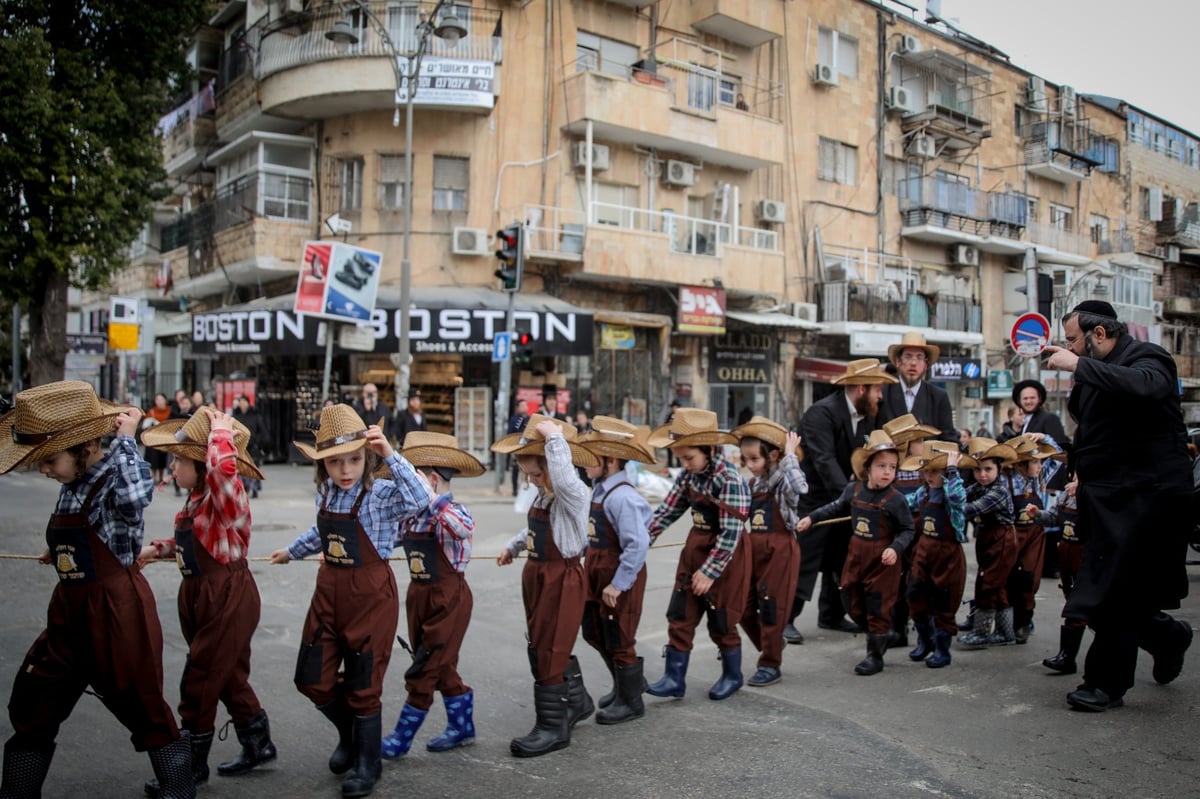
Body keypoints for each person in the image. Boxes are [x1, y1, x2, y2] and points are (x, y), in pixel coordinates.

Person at [0, 381, 193, 799]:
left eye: (49, 459)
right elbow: (86, 533)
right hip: (69, 614)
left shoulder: (113, 477)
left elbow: (137, 495)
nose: (43, 470)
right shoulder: (73, 484)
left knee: (142, 704)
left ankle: (179, 788)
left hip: (116, 613)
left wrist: (127, 441)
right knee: (36, 701)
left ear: (85, 446)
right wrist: (60, 551)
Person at [269, 404, 431, 796]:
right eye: (336, 462)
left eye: (355, 460)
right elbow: (319, 534)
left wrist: (391, 454)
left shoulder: (382, 493)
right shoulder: (326, 492)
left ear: (367, 458)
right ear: (322, 464)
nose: (345, 470)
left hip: (370, 598)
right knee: (312, 677)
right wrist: (292, 550)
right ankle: (350, 732)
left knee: (363, 683)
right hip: (328, 595)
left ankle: (366, 760)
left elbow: (422, 500)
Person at [1043, 300, 1193, 712]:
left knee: (1117, 593)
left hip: (1150, 500)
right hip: (1108, 499)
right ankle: (1169, 637)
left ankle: (1105, 684)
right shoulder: (1095, 370)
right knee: (1112, 592)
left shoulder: (1149, 357)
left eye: (1073, 340)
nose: (1069, 348)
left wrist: (1077, 366)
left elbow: (1144, 386)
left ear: (1100, 334)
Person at [139, 407, 276, 795]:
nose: (172, 468)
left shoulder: (225, 499)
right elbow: (193, 545)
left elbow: (225, 477)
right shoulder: (196, 500)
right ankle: (259, 744)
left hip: (227, 598)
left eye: (180, 460)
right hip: (203, 598)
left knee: (200, 680)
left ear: (203, 464)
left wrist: (219, 434)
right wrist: (157, 549)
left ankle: (189, 770)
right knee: (227, 675)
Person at [492, 416, 598, 757]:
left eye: (537, 474)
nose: (533, 481)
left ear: (555, 465)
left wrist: (554, 438)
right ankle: (577, 701)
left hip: (561, 578)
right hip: (538, 574)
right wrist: (514, 545)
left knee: (550, 648)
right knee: (542, 643)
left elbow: (565, 481)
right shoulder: (544, 497)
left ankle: (553, 728)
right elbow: (533, 530)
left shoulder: (574, 494)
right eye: (528, 475)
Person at [382, 432, 485, 758]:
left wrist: (429, 498)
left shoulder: (451, 510)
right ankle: (462, 727)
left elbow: (464, 527)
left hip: (448, 598)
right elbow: (389, 538)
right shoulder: (413, 516)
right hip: (420, 596)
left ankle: (401, 738)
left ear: (432, 479)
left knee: (425, 668)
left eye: (413, 479)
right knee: (437, 663)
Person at [643, 408, 751, 701]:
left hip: (726, 557)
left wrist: (710, 571)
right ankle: (674, 678)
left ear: (709, 449)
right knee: (681, 613)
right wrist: (641, 541)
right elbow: (666, 512)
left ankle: (732, 675)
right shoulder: (688, 478)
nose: (685, 464)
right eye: (680, 458)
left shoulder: (729, 479)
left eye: (689, 457)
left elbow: (731, 533)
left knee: (722, 618)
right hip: (694, 549)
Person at [788, 359, 898, 644]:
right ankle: (786, 618)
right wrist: (853, 495)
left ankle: (832, 615)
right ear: (861, 388)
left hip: (846, 496)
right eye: (877, 390)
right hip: (814, 499)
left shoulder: (870, 414)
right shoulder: (821, 414)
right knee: (805, 560)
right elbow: (823, 461)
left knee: (841, 558)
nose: (880, 396)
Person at [798, 430, 915, 675]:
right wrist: (811, 518)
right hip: (856, 553)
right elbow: (834, 508)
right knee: (849, 596)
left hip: (883, 559)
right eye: (881, 465)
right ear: (867, 466)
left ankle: (875, 656)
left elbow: (907, 529)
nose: (887, 472)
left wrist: (895, 549)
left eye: (892, 467)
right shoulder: (854, 490)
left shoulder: (896, 500)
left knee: (877, 604)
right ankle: (881, 633)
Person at [578, 417, 655, 724]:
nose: (584, 464)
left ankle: (632, 700)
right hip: (597, 572)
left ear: (609, 460)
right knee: (595, 631)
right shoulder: (599, 490)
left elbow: (637, 545)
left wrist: (618, 584)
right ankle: (625, 685)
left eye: (590, 458)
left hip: (617, 577)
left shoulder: (623, 497)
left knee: (619, 635)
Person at [730, 416, 806, 687]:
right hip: (754, 549)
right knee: (743, 606)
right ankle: (772, 643)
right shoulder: (753, 485)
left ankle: (770, 663)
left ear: (772, 455)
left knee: (772, 608)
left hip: (780, 550)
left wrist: (789, 458)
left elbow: (802, 488)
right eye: (745, 459)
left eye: (754, 459)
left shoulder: (784, 481)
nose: (749, 466)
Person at [901, 442, 975, 668]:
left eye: (935, 470)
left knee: (943, 602)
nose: (928, 475)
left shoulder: (952, 493)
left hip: (947, 556)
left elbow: (957, 497)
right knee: (915, 595)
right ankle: (926, 640)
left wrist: (953, 471)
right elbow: (904, 503)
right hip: (923, 553)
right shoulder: (923, 492)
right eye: (926, 470)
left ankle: (943, 650)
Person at [957, 438, 1021, 649]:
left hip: (1001, 538)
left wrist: (953, 503)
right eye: (977, 470)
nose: (982, 474)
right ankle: (1005, 632)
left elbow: (969, 508)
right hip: (987, 536)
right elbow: (961, 496)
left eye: (988, 469)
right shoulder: (978, 486)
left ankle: (981, 632)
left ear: (998, 469)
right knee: (998, 586)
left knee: (988, 585)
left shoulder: (999, 491)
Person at [1001, 433, 1063, 644]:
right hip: (1013, 533)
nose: (1039, 465)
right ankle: (1007, 622)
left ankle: (1024, 622)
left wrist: (1044, 437)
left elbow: (1055, 456)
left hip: (1035, 534)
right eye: (1035, 461)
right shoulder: (1006, 479)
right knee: (1009, 577)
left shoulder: (1039, 478)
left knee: (1030, 578)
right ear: (1022, 463)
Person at [1035, 483, 1086, 674]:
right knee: (1071, 600)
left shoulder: (1095, 494)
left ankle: (1067, 657)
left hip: (1085, 555)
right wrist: (1037, 515)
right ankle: (1067, 657)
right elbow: (1053, 518)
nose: (1073, 478)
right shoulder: (1065, 496)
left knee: (1079, 607)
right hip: (1066, 552)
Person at [876, 332, 957, 443]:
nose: (913, 363)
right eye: (908, 356)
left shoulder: (938, 397)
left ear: (926, 365)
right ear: (898, 361)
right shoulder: (883, 393)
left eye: (919, 357)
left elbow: (949, 440)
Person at [1012, 379, 1071, 489]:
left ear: (1039, 399)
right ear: (1019, 401)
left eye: (1032, 398)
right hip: (1031, 483)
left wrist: (1051, 485)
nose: (1028, 401)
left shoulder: (1049, 419)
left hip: (1047, 483)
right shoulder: (1025, 423)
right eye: (1025, 398)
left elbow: (1059, 452)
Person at [232, 395, 267, 498]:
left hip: (253, 446)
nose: (242, 404)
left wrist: (257, 441)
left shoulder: (255, 415)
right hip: (240, 445)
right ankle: (244, 487)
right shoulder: (236, 415)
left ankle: (255, 488)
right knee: (241, 467)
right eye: (241, 402)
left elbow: (262, 430)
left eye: (244, 401)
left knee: (253, 467)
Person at [143, 393, 174, 486]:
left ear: (165, 400)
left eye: (161, 399)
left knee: (163, 457)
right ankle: (154, 476)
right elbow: (145, 425)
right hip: (154, 438)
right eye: (157, 400)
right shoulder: (151, 412)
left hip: (165, 438)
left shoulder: (170, 411)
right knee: (153, 457)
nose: (159, 402)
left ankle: (161, 476)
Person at [663, 401, 682, 469]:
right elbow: (665, 424)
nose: (674, 409)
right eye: (673, 407)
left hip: (678, 435)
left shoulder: (680, 415)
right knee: (670, 451)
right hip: (670, 435)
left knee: (678, 451)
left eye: (676, 407)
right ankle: (670, 465)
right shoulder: (669, 415)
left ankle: (679, 465)